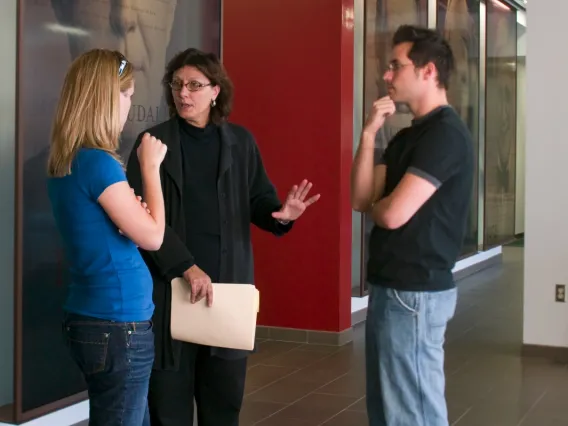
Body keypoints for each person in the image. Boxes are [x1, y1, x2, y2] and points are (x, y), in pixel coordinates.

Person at [126, 48, 321, 426]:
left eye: (195, 86)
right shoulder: (153, 143)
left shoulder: (240, 143)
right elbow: (142, 219)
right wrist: (186, 267)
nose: (183, 94)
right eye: (177, 84)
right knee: (169, 407)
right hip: (170, 294)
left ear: (216, 91)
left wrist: (281, 216)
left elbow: (259, 199)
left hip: (226, 296)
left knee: (223, 407)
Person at [351, 26, 474, 426]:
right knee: (388, 409)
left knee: (412, 411)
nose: (387, 75)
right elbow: (360, 199)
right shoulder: (407, 136)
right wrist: (369, 134)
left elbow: (390, 213)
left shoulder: (446, 135)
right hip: (392, 287)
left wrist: (381, 204)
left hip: (415, 292)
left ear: (428, 71)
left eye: (396, 65)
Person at [47, 48, 169, 426]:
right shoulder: (97, 162)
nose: (131, 103)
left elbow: (126, 227)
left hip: (97, 319)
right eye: (127, 93)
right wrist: (150, 169)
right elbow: (153, 236)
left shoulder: (69, 160)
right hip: (118, 327)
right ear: (105, 97)